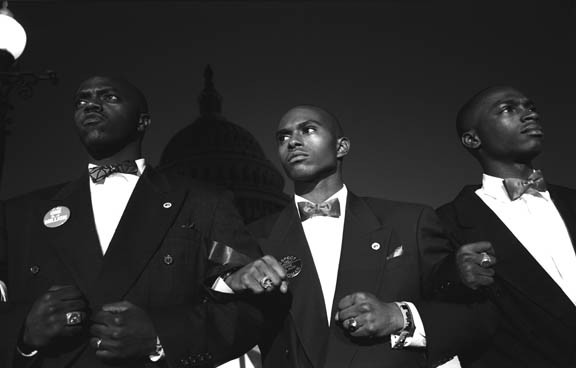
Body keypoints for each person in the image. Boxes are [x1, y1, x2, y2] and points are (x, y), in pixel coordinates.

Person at [0, 75, 267, 368]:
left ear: (143, 122)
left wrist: (161, 336)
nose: (91, 105)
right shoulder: (21, 215)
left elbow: (253, 306)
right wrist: (22, 330)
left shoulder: (203, 203)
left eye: (109, 97)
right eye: (82, 100)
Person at [225, 105, 487, 368]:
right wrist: (227, 282)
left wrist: (400, 317)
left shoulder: (409, 222)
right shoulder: (254, 239)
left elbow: (471, 316)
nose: (292, 142)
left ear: (341, 147)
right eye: (282, 137)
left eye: (308, 130)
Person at [435, 86, 576, 367]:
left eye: (530, 106)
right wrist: (454, 275)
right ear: (472, 139)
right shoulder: (447, 221)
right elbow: (436, 305)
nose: (529, 114)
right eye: (508, 109)